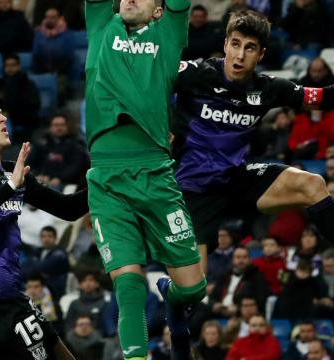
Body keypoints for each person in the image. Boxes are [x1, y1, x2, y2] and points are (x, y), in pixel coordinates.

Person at [171, 10, 334, 294]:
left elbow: (324, 97)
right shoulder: (196, 74)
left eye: (250, 48)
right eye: (235, 44)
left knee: (312, 183)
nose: (240, 55)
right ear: (225, 45)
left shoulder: (266, 88)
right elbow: (148, 82)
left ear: (261, 54)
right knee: (192, 293)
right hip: (191, 191)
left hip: (235, 180)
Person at [85, 0, 207, 359]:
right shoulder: (101, 26)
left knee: (194, 289)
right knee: (128, 283)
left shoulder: (166, 37)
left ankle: (172, 298)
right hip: (106, 176)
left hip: (155, 172)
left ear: (159, 11)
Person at [0, 92, 87, 359]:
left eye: (0, 112)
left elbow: (68, 209)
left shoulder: (13, 171)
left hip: (13, 295)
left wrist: (104, 180)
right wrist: (10, 188)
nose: (2, 118)